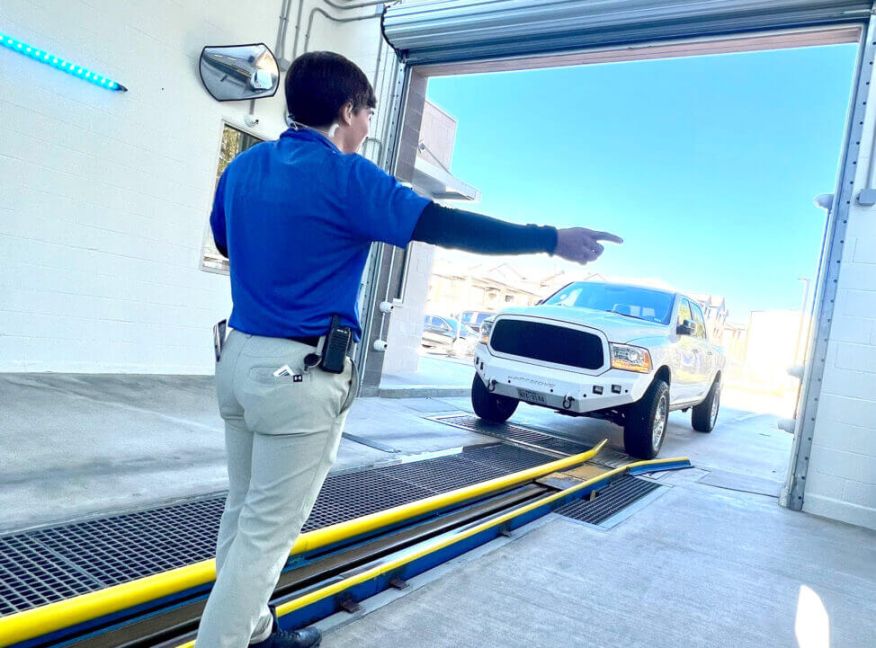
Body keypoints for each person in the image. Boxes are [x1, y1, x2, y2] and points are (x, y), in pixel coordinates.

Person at [196, 51, 622, 648]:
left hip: (237, 358)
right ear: (346, 111)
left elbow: (223, 238)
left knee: (242, 515)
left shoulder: (245, 168)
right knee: (266, 535)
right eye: (367, 111)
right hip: (298, 376)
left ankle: (257, 628)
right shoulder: (347, 178)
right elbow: (446, 226)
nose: (369, 124)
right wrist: (551, 239)